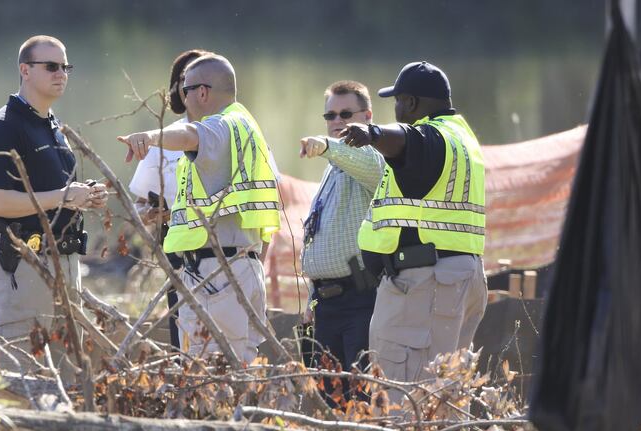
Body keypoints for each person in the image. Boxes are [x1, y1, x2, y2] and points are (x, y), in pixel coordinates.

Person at [117, 54, 281, 363]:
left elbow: (192, 136)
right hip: (232, 268)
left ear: (202, 92)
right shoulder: (244, 127)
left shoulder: (222, 125)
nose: (182, 98)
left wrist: (149, 137)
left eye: (185, 90)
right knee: (227, 366)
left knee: (209, 367)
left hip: (218, 274)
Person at [340, 61, 487, 403]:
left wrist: (373, 134)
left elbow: (407, 139)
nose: (396, 108)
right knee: (443, 398)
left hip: (426, 285)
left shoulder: (432, 138)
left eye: (398, 101)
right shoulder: (463, 139)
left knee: (404, 400)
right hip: (455, 279)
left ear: (410, 102)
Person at [0, 35, 107, 378]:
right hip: (24, 267)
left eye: (65, 67)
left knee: (69, 378)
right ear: (25, 70)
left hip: (66, 265)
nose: (61, 74)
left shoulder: (52, 125)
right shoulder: (4, 127)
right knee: (20, 377)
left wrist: (85, 197)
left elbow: (53, 194)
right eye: (51, 66)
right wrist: (64, 195)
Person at [297, 81, 385, 402]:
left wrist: (324, 145)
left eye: (346, 114)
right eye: (330, 115)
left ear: (368, 116)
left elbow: (369, 164)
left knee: (361, 401)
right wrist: (312, 296)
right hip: (327, 305)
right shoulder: (332, 168)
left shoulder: (374, 156)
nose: (337, 121)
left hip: (360, 301)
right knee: (331, 402)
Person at [128, 48, 209, 351]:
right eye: (189, 81)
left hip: (234, 260)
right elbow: (137, 208)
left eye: (205, 79)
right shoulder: (161, 139)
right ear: (178, 89)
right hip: (181, 264)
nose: (198, 90)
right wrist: (150, 214)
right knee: (185, 354)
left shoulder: (241, 133)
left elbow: (267, 205)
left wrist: (259, 267)